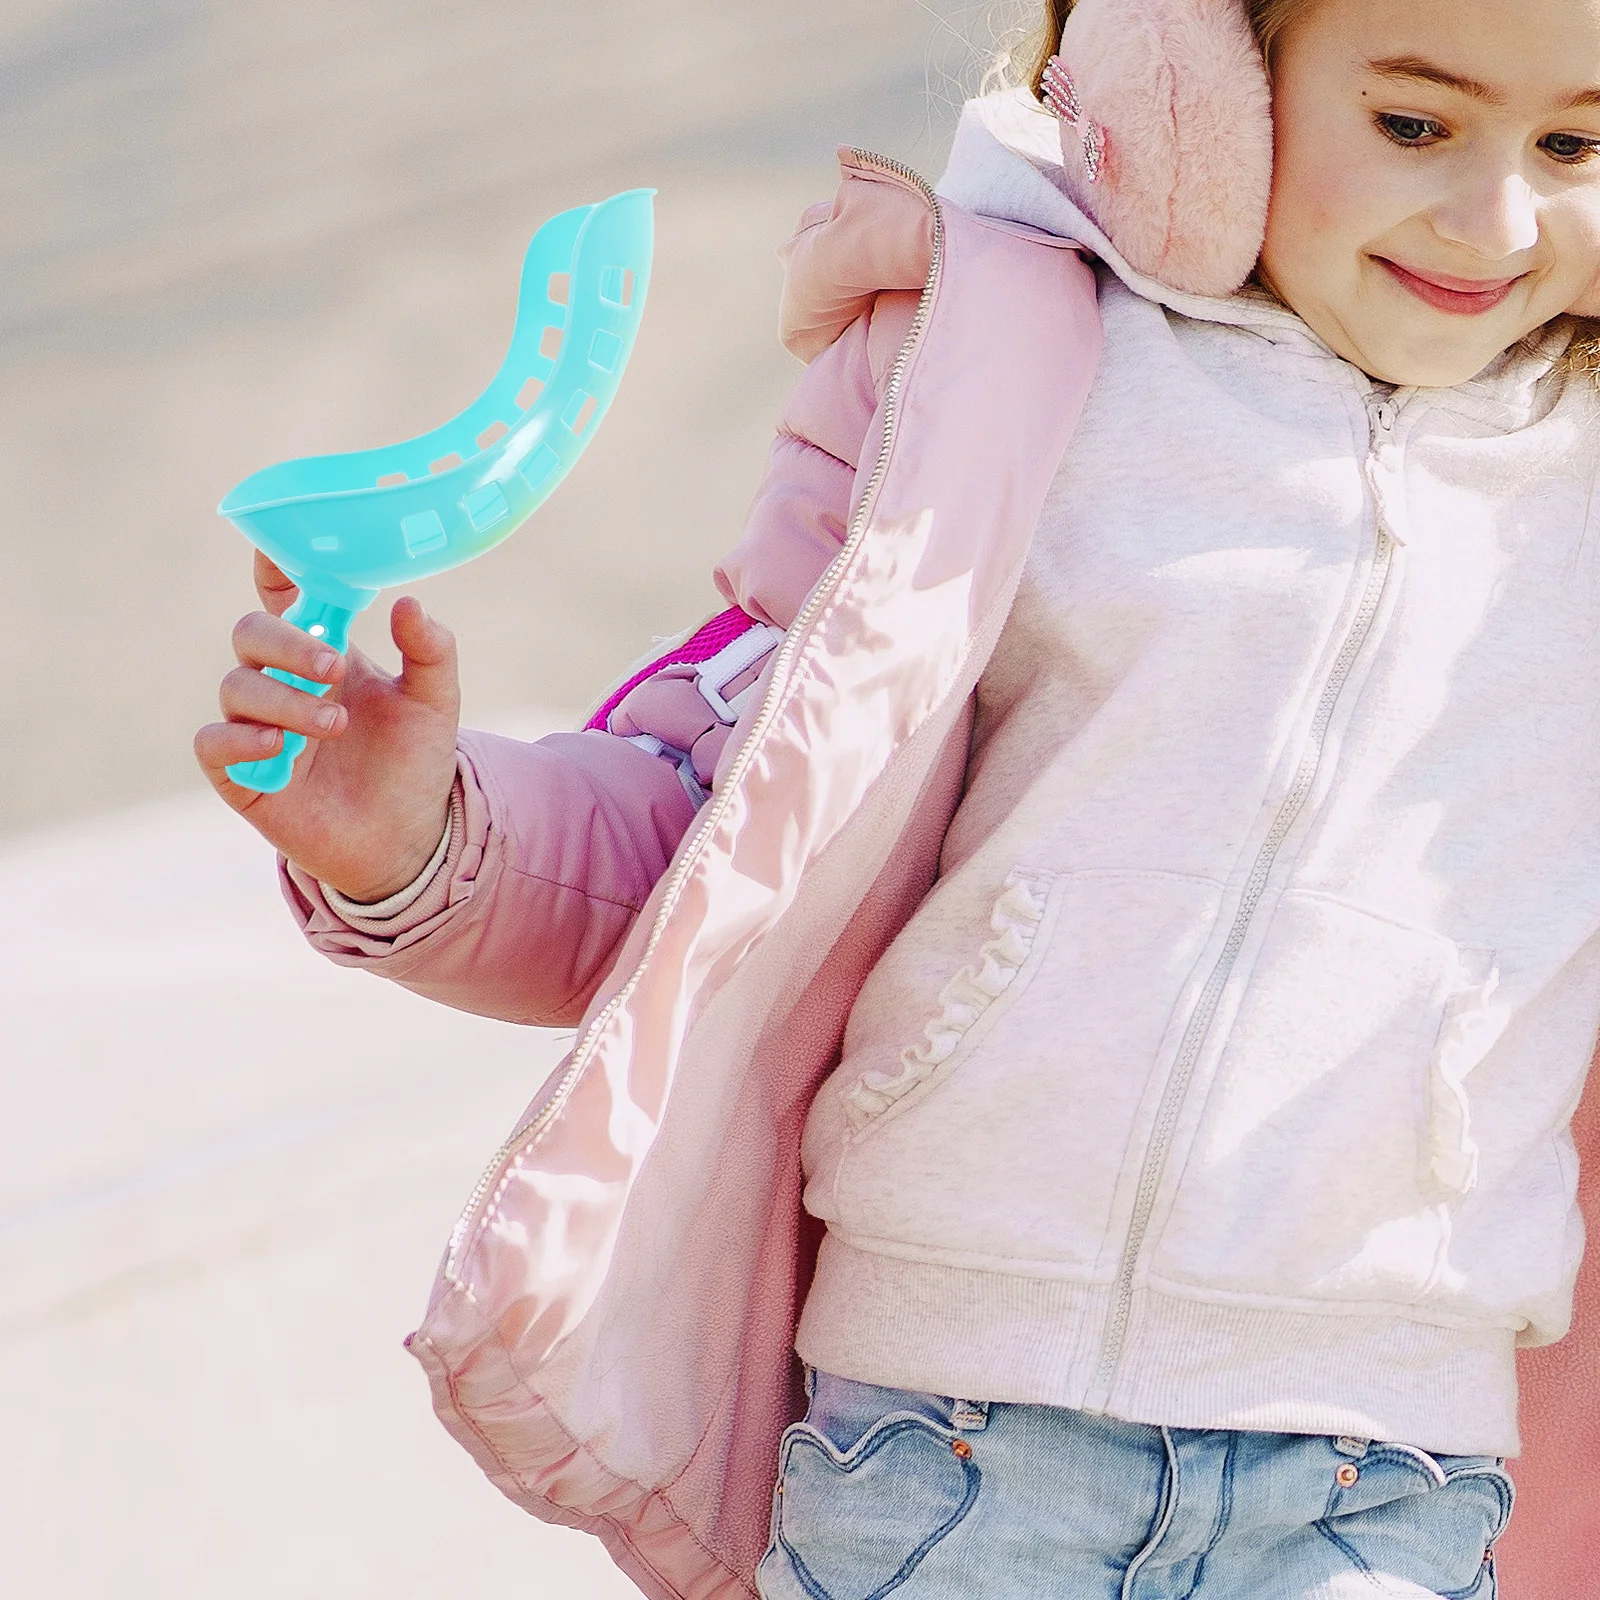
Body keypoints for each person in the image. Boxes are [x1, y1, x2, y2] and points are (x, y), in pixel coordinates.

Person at [195, 0, 1600, 1594]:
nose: (1499, 218)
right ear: (1209, 82)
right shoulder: (998, 394)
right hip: (946, 1441)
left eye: (1575, 144)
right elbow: (728, 824)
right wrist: (427, 841)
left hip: (1384, 1476)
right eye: (1415, 126)